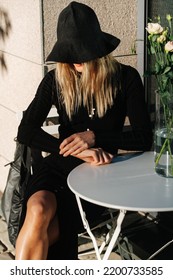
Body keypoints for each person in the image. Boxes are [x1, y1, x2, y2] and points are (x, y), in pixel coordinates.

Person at [15, 1, 152, 260]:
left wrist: (95, 137)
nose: (75, 59)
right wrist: (71, 150)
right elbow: (26, 130)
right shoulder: (55, 80)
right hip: (59, 165)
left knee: (43, 230)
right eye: (70, 52)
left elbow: (144, 137)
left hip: (100, 176)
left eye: (82, 51)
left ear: (97, 48)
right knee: (37, 210)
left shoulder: (125, 78)